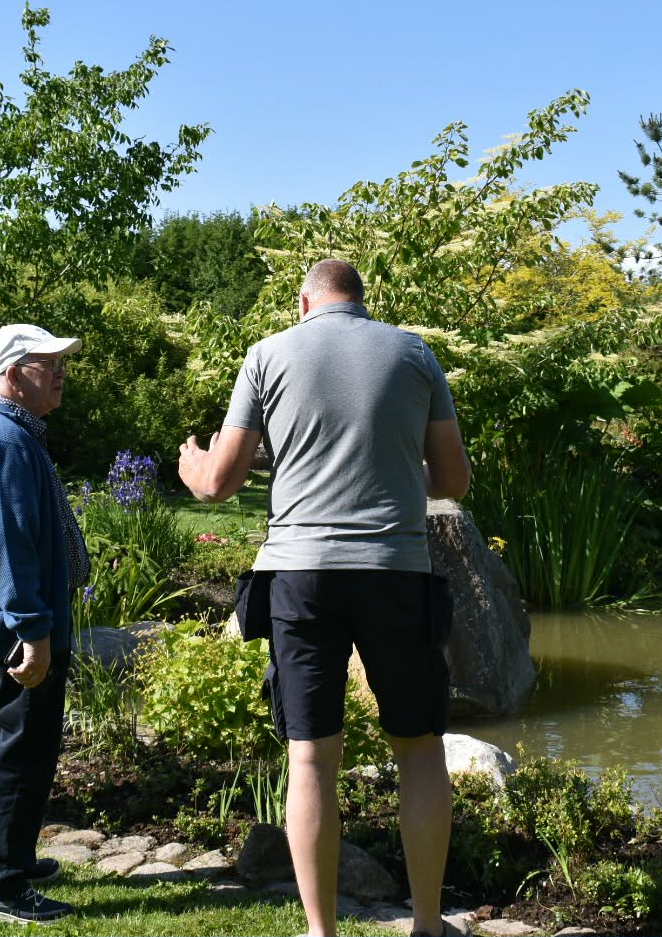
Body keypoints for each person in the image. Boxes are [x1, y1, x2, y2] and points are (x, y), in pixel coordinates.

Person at [178, 259, 472, 937]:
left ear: (302, 300)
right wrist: (395, 467)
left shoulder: (267, 354)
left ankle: (320, 932)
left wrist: (194, 466)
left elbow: (219, 483)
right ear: (363, 302)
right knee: (421, 748)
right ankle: (428, 925)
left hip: (300, 574)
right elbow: (452, 478)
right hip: (396, 571)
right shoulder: (414, 352)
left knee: (311, 755)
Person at [0, 323, 87, 926]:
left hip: (11, 624)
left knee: (33, 745)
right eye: (46, 362)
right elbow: (8, 545)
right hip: (13, 633)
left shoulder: (9, 431)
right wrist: (33, 629)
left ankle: (16, 860)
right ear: (11, 375)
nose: (59, 371)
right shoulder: (3, 439)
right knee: (23, 753)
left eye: (61, 361)